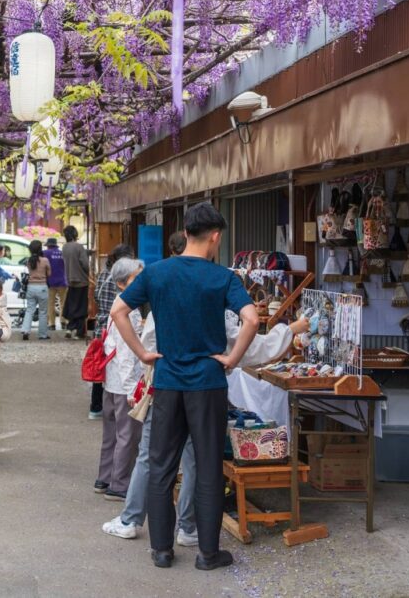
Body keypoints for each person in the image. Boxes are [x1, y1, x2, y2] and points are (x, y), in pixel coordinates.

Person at [110, 202, 258, 572]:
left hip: (168, 382)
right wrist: (233, 357)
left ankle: (161, 550)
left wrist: (144, 353)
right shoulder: (222, 277)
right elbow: (252, 319)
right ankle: (208, 554)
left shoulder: (157, 273)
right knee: (208, 467)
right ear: (215, 237)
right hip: (208, 384)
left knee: (161, 465)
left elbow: (118, 312)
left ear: (186, 233)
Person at [96, 258, 148, 500]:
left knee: (111, 433)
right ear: (121, 283)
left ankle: (104, 478)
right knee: (127, 435)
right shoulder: (129, 311)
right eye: (136, 279)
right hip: (123, 381)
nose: (142, 282)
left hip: (111, 379)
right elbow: (127, 354)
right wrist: (131, 390)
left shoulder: (118, 305)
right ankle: (119, 485)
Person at [90, 243, 139, 420]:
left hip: (101, 323)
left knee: (101, 362)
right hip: (115, 321)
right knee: (115, 360)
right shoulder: (119, 280)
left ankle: (96, 406)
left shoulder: (103, 273)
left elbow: (95, 296)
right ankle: (109, 402)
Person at [62, 226, 91, 340]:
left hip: (70, 280)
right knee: (81, 307)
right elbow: (85, 264)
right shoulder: (79, 247)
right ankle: (79, 332)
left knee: (71, 305)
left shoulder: (65, 247)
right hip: (81, 280)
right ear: (75, 234)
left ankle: (69, 328)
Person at [20, 240, 51, 341]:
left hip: (31, 287)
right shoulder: (45, 260)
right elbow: (49, 274)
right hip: (42, 287)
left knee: (30, 310)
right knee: (42, 311)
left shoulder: (29, 261)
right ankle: (42, 334)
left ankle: (25, 331)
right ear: (40, 249)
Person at [43, 237, 68, 336]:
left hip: (50, 282)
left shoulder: (45, 253)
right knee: (63, 303)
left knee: (50, 303)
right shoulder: (62, 253)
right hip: (62, 281)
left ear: (48, 245)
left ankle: (52, 324)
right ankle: (63, 322)